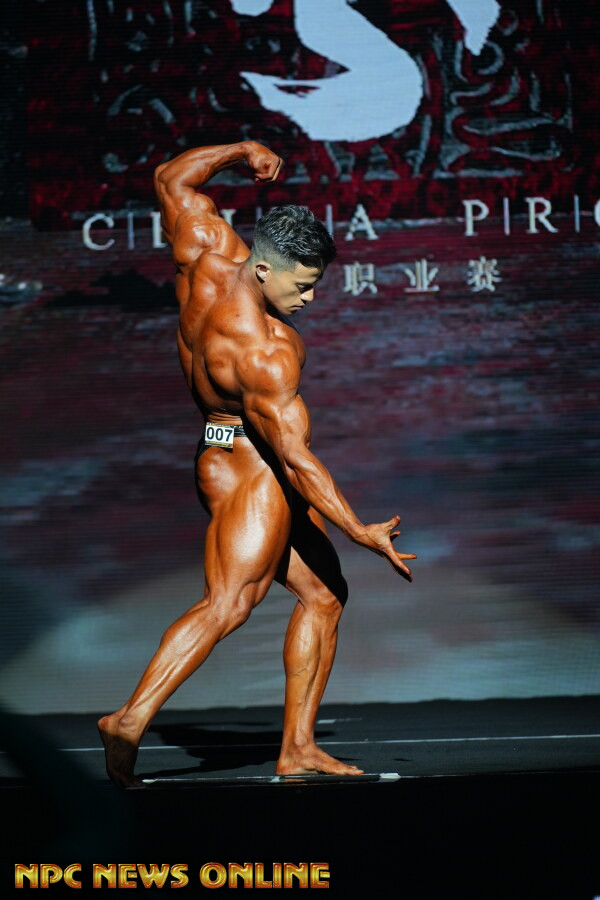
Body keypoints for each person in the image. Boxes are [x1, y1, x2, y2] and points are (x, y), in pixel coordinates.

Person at [98, 141, 416, 787]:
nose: (310, 299)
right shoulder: (266, 353)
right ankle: (128, 719)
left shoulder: (208, 252)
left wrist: (242, 150)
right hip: (254, 466)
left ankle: (297, 747)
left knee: (323, 595)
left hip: (224, 448)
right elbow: (294, 460)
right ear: (266, 270)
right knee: (231, 602)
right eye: (302, 286)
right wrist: (358, 529)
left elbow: (171, 178)